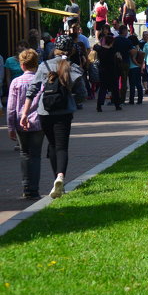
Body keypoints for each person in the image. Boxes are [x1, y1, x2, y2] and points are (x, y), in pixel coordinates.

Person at [24, 35, 88, 199]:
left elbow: (32, 89)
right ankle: (60, 177)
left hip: (44, 112)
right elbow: (82, 93)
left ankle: (56, 180)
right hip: (64, 112)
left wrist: (24, 113)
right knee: (61, 147)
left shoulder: (43, 65)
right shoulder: (73, 68)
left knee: (52, 145)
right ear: (72, 50)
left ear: (55, 49)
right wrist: (73, 99)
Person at [7, 49, 44, 199]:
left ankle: (26, 187)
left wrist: (10, 127)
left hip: (20, 124)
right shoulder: (41, 81)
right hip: (38, 123)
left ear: (22, 65)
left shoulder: (16, 82)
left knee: (24, 154)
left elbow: (10, 107)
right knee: (36, 155)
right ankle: (34, 190)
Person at [93, 32, 122, 111]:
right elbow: (119, 58)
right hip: (112, 71)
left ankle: (99, 105)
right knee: (114, 89)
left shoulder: (100, 50)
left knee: (102, 89)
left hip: (103, 71)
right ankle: (117, 105)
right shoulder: (113, 50)